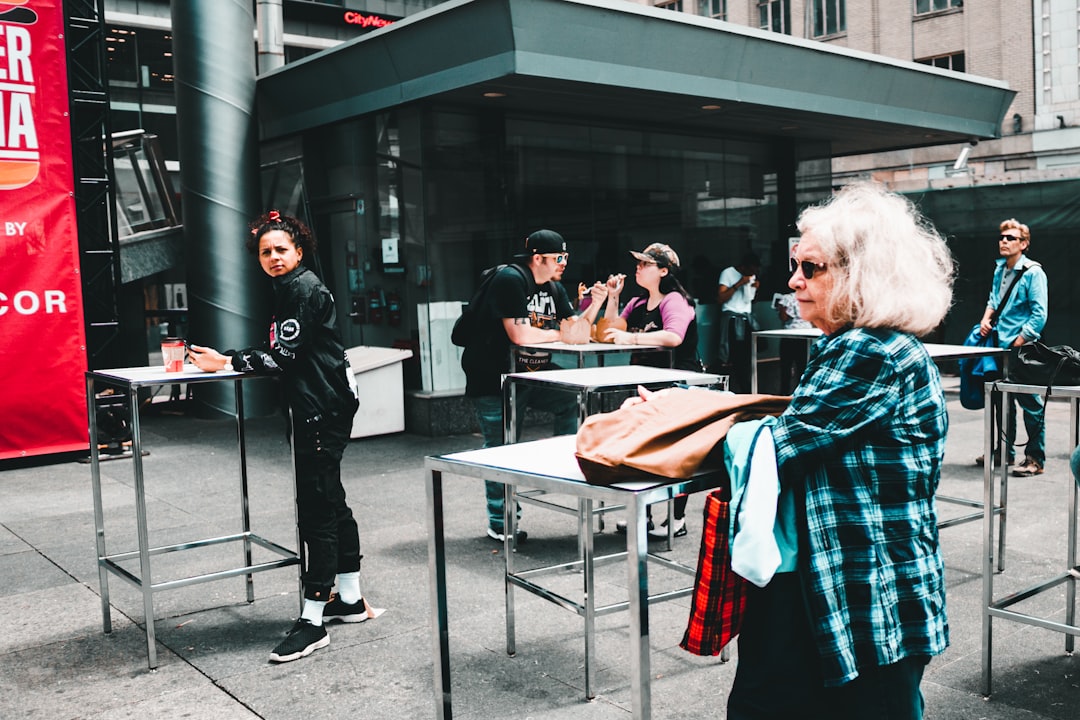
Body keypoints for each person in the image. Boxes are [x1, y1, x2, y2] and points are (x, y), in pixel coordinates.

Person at [727, 182, 953, 718]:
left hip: (862, 593)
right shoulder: (861, 344)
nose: (794, 281)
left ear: (858, 276)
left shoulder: (867, 350)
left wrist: (667, 420)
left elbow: (782, 444)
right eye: (795, 265)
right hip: (863, 586)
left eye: (811, 268)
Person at [188, 211, 373, 664]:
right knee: (330, 498)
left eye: (281, 250)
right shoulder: (293, 288)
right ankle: (347, 598)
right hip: (324, 404)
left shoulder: (303, 289)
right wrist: (229, 359)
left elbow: (281, 358)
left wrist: (227, 363)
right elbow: (286, 354)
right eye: (265, 252)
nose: (273, 257)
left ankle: (312, 620)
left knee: (316, 508)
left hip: (319, 409)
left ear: (299, 252)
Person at [460, 229, 608, 542]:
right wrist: (558, 333)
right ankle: (501, 522)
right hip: (494, 376)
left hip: (533, 371)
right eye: (558, 258)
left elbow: (575, 328)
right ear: (537, 257)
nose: (563, 263)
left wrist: (596, 304)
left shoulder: (553, 288)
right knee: (500, 447)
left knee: (570, 396)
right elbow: (521, 336)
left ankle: (561, 461)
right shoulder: (511, 280)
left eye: (566, 257)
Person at [601, 242, 702, 538]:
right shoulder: (636, 302)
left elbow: (673, 336)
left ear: (663, 271)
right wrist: (612, 298)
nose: (638, 268)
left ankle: (676, 520)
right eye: (639, 263)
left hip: (678, 384)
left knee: (676, 453)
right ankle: (643, 517)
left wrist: (630, 340)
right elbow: (610, 330)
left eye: (645, 264)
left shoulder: (674, 300)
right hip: (647, 385)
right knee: (641, 449)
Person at [973, 219, 1048, 477]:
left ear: (1024, 244)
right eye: (1002, 237)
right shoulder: (1000, 269)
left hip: (1020, 347)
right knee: (1001, 400)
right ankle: (1003, 453)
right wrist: (986, 318)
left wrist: (1019, 340)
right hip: (998, 344)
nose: (1004, 241)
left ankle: (1035, 459)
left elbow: (1039, 313)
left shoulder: (1033, 272)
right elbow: (994, 299)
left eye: (1011, 238)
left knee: (1030, 402)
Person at [716, 252, 761, 393]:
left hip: (746, 318)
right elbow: (720, 298)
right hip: (732, 318)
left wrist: (755, 288)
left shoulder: (752, 275)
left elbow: (750, 300)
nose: (753, 273)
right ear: (743, 267)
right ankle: (732, 388)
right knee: (732, 356)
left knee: (746, 357)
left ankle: (746, 388)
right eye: (751, 270)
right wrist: (739, 283)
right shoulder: (728, 273)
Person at [773, 291, 811, 394]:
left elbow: (784, 317)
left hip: (789, 335)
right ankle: (802, 394)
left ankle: (784, 395)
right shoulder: (809, 296)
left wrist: (781, 308)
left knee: (786, 368)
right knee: (803, 368)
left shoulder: (786, 298)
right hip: (806, 335)